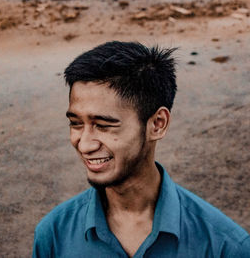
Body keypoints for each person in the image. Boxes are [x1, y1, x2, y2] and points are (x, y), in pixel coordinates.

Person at [32, 41, 250, 257]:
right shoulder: (53, 235)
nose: (85, 144)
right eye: (76, 123)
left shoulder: (225, 247)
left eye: (104, 125)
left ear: (157, 124)